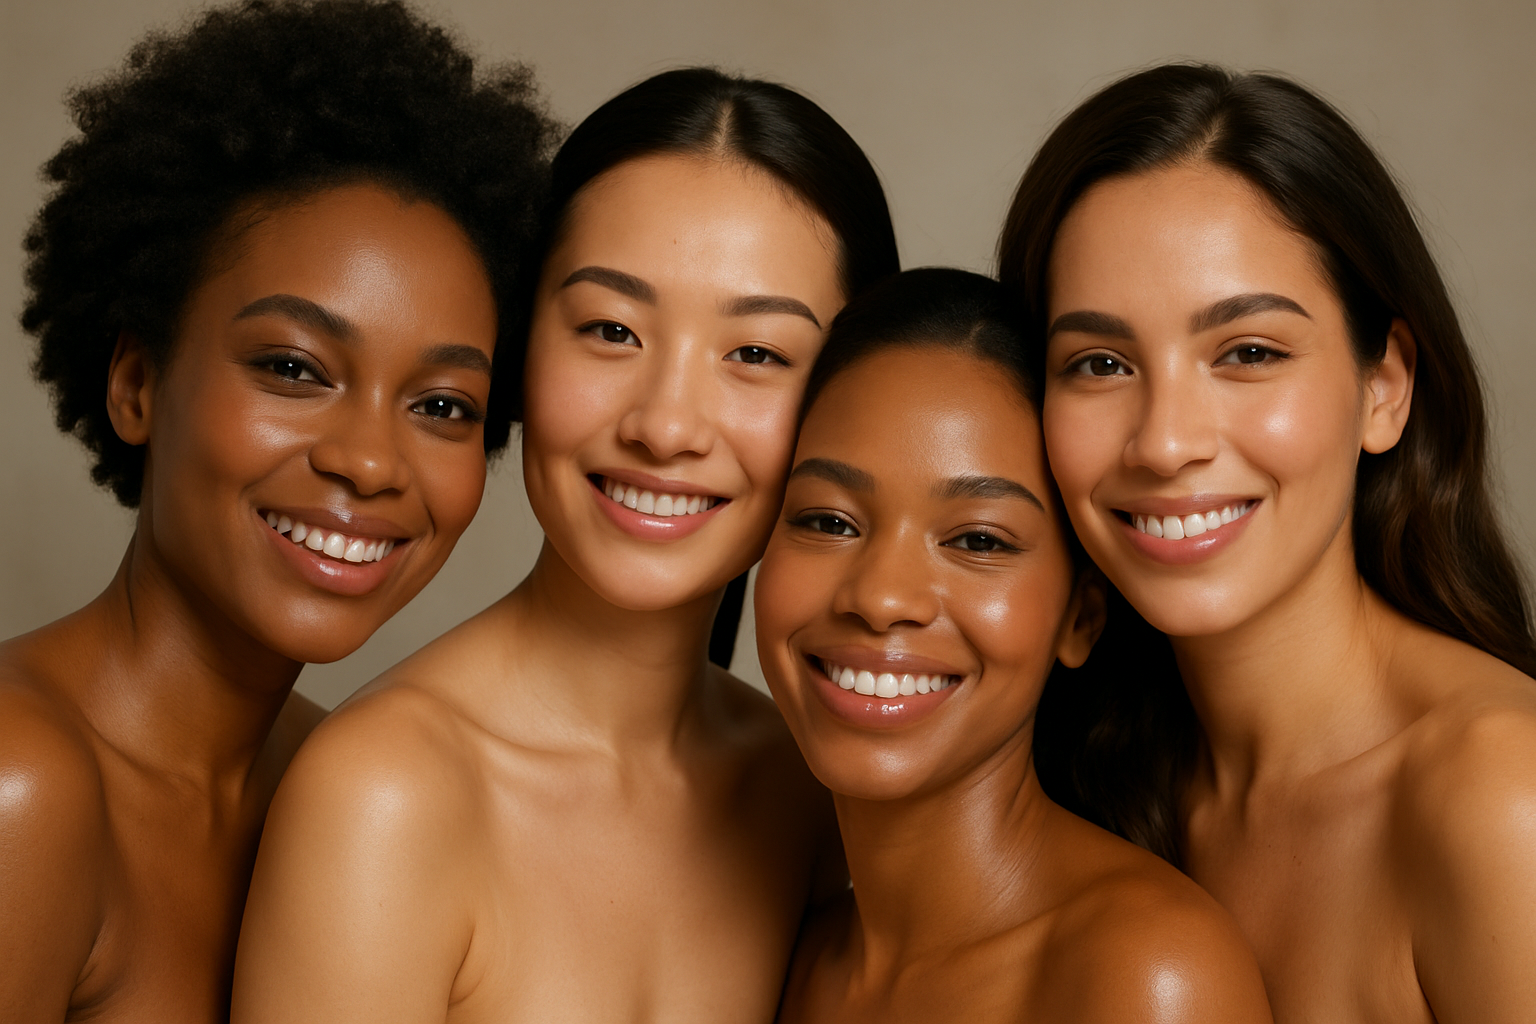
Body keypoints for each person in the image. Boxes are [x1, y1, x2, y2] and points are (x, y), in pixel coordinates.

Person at [231, 67, 900, 1022]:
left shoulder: (806, 791)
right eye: (611, 329)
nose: (666, 426)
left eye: (755, 354)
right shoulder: (386, 797)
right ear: (519, 346)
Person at [0, 2, 556, 1019]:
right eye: (294, 367)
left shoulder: (336, 783)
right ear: (135, 383)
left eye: (442, 406)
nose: (371, 461)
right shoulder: (19, 782)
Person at [998, 63, 1536, 1022]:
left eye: (1248, 352)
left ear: (1386, 388)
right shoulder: (1075, 772)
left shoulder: (1502, 799)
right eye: (1100, 363)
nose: (1166, 442)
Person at [755, 267, 1272, 1024]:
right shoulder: (795, 958)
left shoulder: (1149, 978)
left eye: (977, 539)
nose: (880, 596)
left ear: (1080, 619)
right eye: (828, 522)